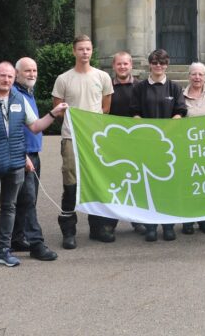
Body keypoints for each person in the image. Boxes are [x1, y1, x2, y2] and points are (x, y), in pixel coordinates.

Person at [0, 61, 67, 277]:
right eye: (2, 76)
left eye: (10, 77)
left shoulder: (20, 99)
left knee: (9, 208)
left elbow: (35, 126)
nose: (6, 80)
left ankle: (3, 251)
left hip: (15, 165)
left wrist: (54, 113)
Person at [52, 35, 113, 249]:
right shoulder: (63, 79)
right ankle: (68, 230)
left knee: (95, 181)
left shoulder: (102, 77)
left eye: (88, 49)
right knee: (71, 182)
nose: (84, 53)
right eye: (80, 49)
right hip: (71, 136)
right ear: (74, 51)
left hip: (95, 138)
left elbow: (105, 108)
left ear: (92, 51)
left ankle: (97, 228)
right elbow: (58, 110)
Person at [130, 49, 187, 242]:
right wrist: (149, 133)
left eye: (162, 63)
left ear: (167, 65)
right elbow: (135, 113)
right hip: (146, 144)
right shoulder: (139, 88)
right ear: (149, 64)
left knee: (168, 186)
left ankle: (168, 226)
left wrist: (165, 131)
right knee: (148, 186)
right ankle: (151, 227)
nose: (158, 66)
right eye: (155, 62)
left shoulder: (174, 87)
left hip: (169, 144)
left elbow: (180, 112)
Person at [9, 57, 58, 261]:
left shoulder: (28, 92)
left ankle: (16, 238)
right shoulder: (14, 95)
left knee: (26, 199)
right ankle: (36, 244)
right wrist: (24, 155)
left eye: (34, 70)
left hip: (32, 153)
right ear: (17, 73)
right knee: (28, 200)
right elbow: (11, 129)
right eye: (27, 71)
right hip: (23, 154)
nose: (32, 74)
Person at [104, 51, 141, 234]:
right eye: (119, 64)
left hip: (136, 142)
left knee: (137, 182)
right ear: (114, 66)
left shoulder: (141, 87)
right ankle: (111, 221)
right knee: (114, 182)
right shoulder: (107, 87)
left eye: (125, 64)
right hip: (113, 142)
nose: (122, 67)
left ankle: (138, 219)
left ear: (131, 65)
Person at [181, 61, 205, 235]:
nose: (197, 77)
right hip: (187, 148)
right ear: (189, 76)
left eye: (200, 74)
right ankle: (187, 221)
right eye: (194, 74)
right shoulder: (180, 96)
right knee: (188, 185)